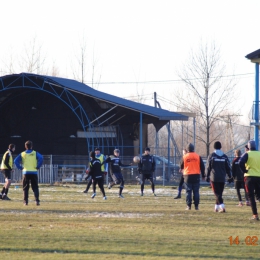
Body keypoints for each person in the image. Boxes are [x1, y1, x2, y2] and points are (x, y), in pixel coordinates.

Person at [14, 140, 43, 206]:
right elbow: (41, 158)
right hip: (34, 172)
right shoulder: (35, 153)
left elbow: (15, 161)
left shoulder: (23, 154)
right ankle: (37, 201)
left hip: (26, 172)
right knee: (35, 187)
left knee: (25, 188)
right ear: (32, 146)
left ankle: (25, 202)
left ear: (25, 146)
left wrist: (20, 167)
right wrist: (38, 166)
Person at [206, 141, 232, 213]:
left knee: (217, 194)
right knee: (219, 193)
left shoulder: (212, 156)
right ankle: (216, 208)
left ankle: (222, 207)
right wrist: (230, 176)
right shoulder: (225, 156)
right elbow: (228, 167)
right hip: (222, 178)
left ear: (214, 147)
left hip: (214, 178)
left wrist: (207, 176)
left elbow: (208, 167)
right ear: (220, 147)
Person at [239, 140, 260, 221]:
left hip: (249, 177)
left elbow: (240, 162)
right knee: (259, 196)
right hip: (259, 176)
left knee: (251, 196)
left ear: (248, 147)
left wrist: (245, 170)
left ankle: (255, 215)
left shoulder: (247, 154)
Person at [180, 143, 205, 210]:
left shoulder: (185, 157)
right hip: (196, 175)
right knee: (196, 191)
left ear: (187, 149)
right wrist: (203, 175)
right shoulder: (198, 156)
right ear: (193, 148)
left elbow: (181, 165)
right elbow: (202, 166)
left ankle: (188, 206)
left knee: (188, 191)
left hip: (187, 176)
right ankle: (196, 206)